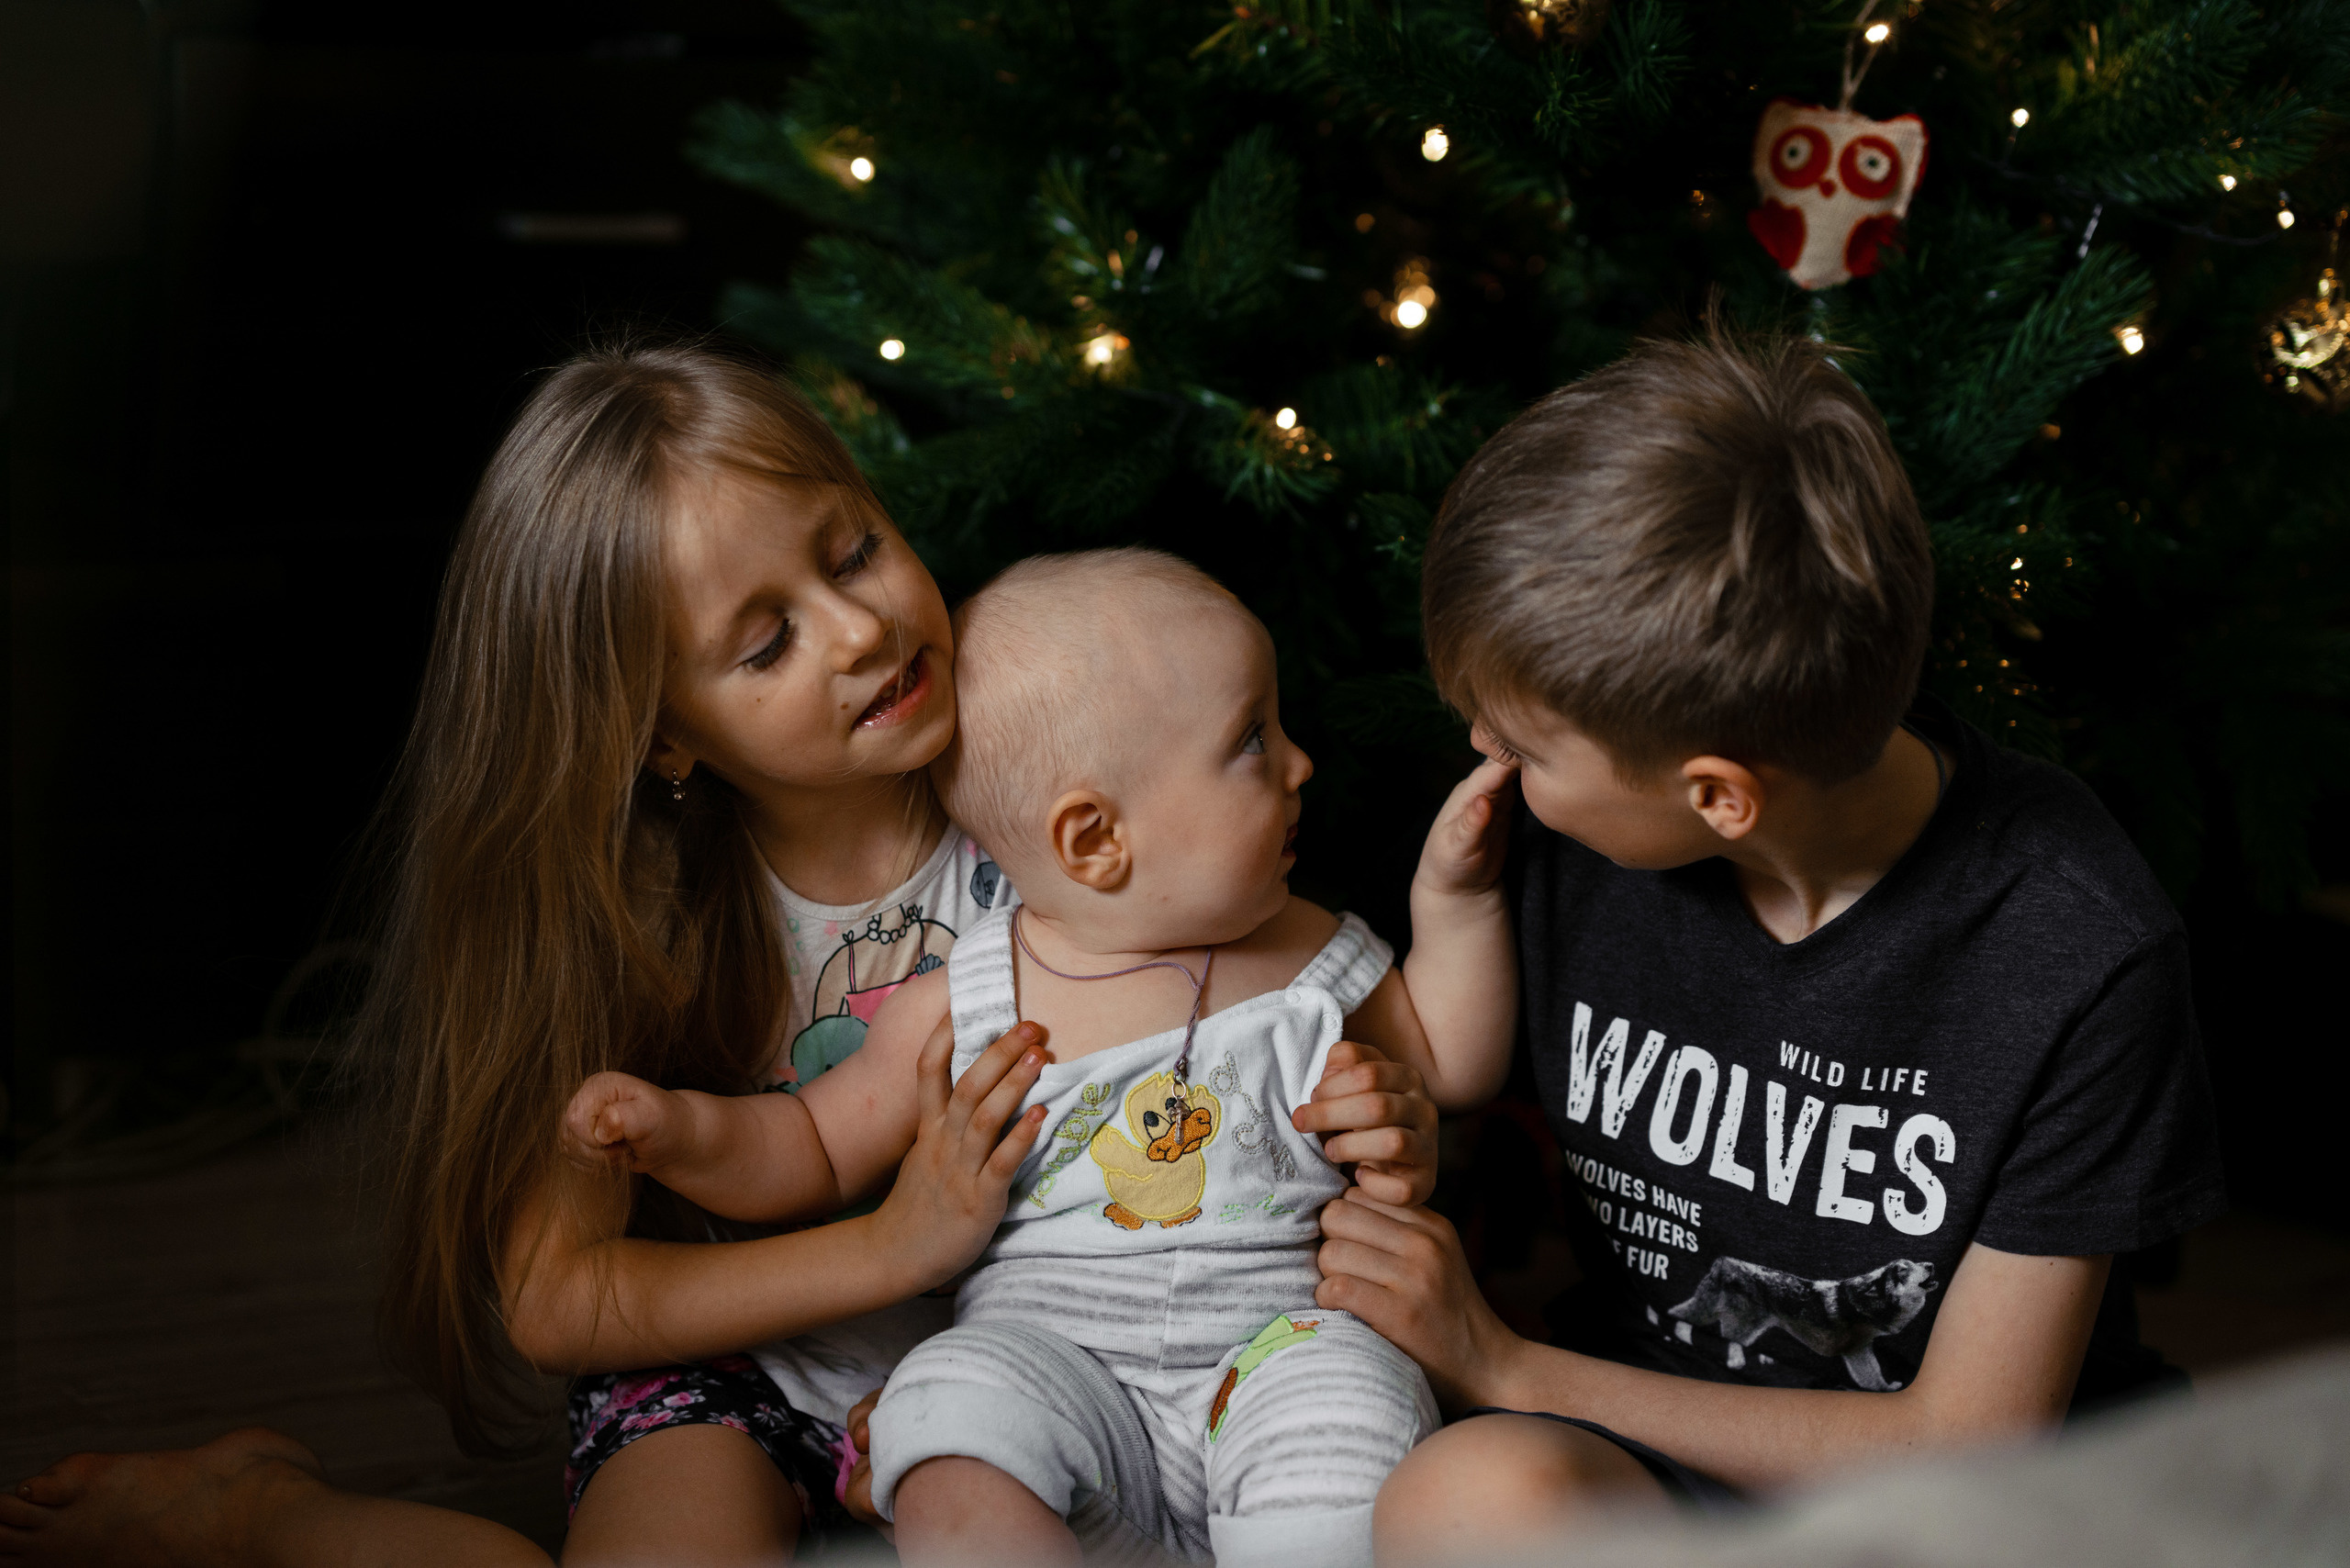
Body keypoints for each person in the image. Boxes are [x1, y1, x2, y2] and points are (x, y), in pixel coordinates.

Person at [0, 345, 1430, 1568]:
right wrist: (884, 1245)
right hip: (746, 1374)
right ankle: (269, 1521)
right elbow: (562, 1300)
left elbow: (1279, 1011)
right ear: (666, 732)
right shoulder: (640, 919)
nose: (864, 629)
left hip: (1061, 1375)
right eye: (766, 644)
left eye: (854, 548)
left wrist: (1381, 1111)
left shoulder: (1064, 783)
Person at [1309, 329, 2229, 1562]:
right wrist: (1446, 933)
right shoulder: (1564, 841)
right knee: (1457, 1497)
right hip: (1657, 1448)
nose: (1484, 755)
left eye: (1522, 748)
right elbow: (1431, 1067)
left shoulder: (2075, 948)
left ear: (1718, 796)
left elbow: (1974, 1432)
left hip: (1974, 1507)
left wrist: (1506, 1360)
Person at [561, 549, 1482, 1568]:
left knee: (1348, 1406)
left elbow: (1451, 1058)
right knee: (950, 1413)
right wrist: (683, 1129)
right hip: (1056, 1367)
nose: (1301, 762)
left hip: (1276, 1354)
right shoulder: (976, 996)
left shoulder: (1311, 950)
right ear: (1094, 839)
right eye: (1253, 740)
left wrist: (1456, 908)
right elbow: (811, 1145)